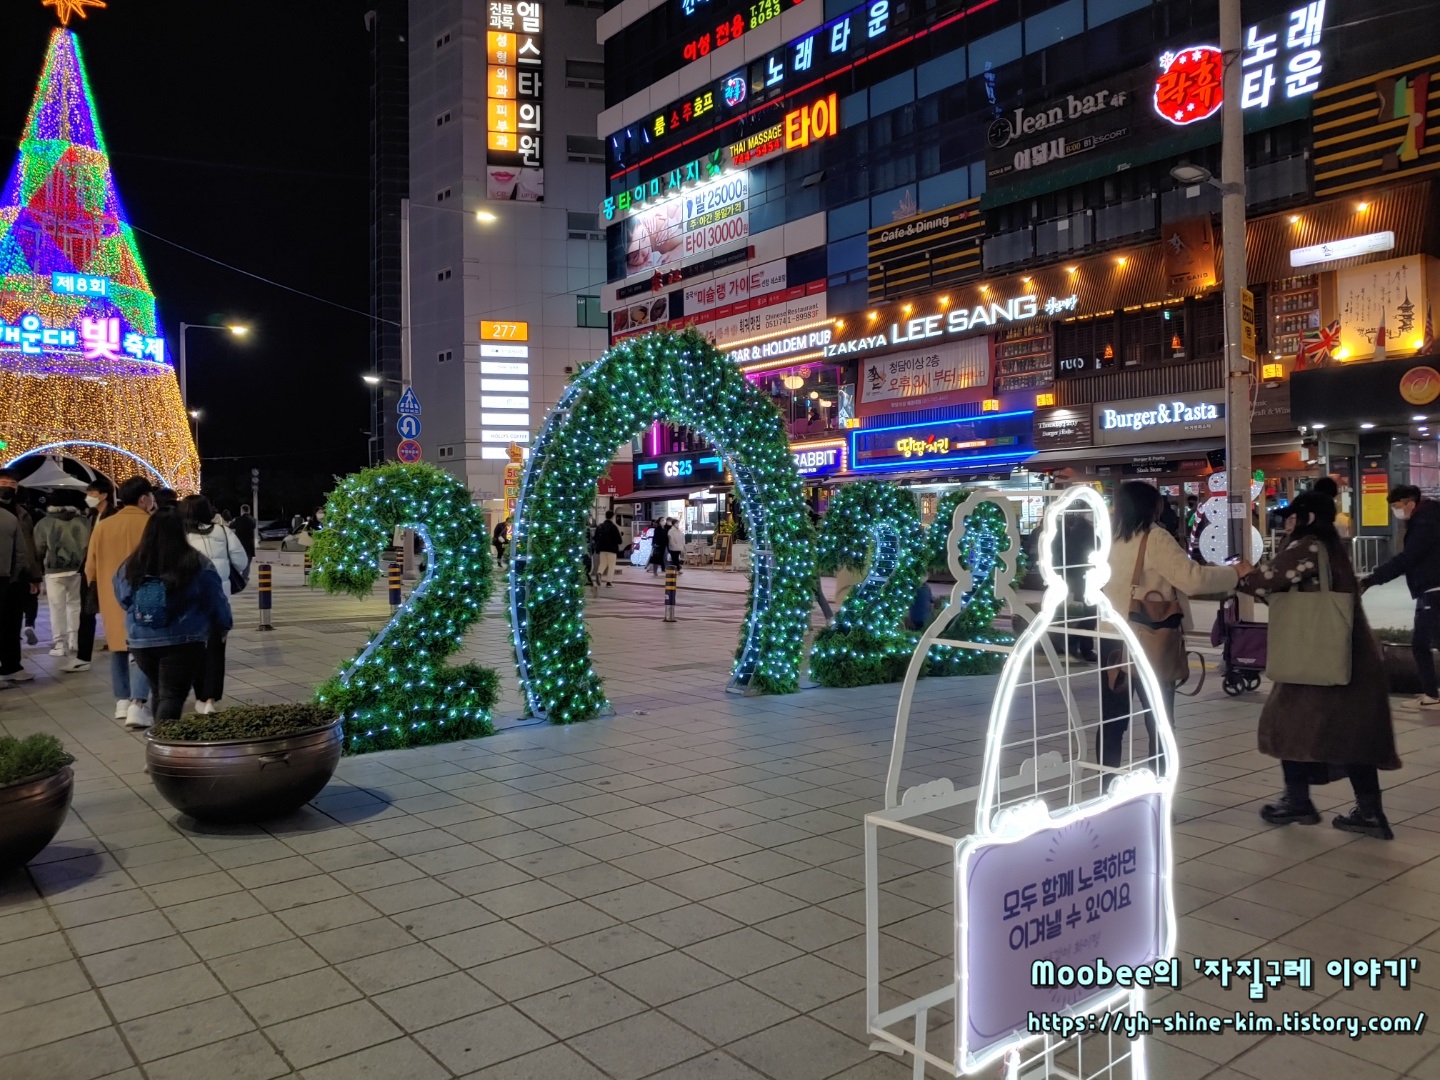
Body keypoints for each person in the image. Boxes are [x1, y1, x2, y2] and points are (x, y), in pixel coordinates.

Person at [1238, 492, 1399, 839]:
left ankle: (1299, 802)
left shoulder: (1308, 547)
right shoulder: (1333, 547)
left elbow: (1264, 581)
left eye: (1292, 518)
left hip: (1316, 657)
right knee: (1353, 736)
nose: (1287, 524)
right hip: (1347, 656)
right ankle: (1367, 811)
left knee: (1285, 724)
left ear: (1308, 517)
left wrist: (1243, 572)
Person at [1101, 481, 1246, 777]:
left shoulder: (1107, 539)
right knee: (1159, 721)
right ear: (1151, 506)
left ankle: (1106, 790)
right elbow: (1191, 579)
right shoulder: (1155, 538)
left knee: (1112, 722)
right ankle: (1159, 794)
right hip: (1148, 638)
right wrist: (1234, 573)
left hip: (1110, 638)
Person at [115, 507, 232, 722]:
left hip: (141, 640)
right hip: (183, 639)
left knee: (160, 689)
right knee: (172, 695)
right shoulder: (197, 562)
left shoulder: (132, 564)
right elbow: (215, 598)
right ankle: (164, 746)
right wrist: (223, 625)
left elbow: (123, 597)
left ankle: (160, 743)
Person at [86, 476, 156, 728]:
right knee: (145, 647)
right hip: (147, 593)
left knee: (118, 646)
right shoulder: (152, 524)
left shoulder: (103, 526)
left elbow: (90, 567)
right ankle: (138, 702)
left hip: (111, 594)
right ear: (143, 498)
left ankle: (121, 701)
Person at [1363, 483, 1440, 707]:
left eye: (1398, 506)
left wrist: (1373, 579)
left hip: (1433, 590)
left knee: (1424, 643)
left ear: (1411, 503)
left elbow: (1407, 559)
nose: (1396, 512)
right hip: (1429, 589)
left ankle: (1432, 694)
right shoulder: (1426, 519)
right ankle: (1431, 693)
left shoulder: (1425, 524)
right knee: (1422, 643)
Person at [182, 495, 249, 714]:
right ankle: (208, 698)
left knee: (191, 650)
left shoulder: (180, 535)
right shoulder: (223, 531)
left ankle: (192, 693)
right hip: (220, 600)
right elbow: (241, 561)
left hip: (188, 603)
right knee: (215, 650)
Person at [32, 490, 91, 659]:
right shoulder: (83, 521)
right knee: (75, 605)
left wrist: (40, 569)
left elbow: (39, 548)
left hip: (54, 571)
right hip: (79, 569)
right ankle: (75, 640)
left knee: (56, 607)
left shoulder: (44, 523)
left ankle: (60, 644)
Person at [66, 478, 116, 673]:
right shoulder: (92, 515)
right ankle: (83, 657)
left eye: (92, 494)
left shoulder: (113, 516)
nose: (89, 497)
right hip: (91, 572)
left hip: (108, 570)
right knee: (86, 613)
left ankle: (125, 649)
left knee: (114, 612)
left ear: (103, 495)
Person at [0, 469, 40, 685]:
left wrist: (34, 576)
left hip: (16, 578)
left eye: (12, 482)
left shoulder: (22, 514)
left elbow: (29, 547)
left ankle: (11, 666)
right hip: (2, 574)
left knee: (12, 623)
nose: (8, 485)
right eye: (4, 481)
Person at [1053, 510, 1097, 661]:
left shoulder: (1074, 534)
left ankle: (1076, 643)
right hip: (1086, 579)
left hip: (1077, 579)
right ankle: (1079, 644)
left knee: (1089, 614)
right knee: (1091, 614)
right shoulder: (1088, 534)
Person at [592, 510, 622, 587]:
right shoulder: (613, 527)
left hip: (602, 549)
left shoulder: (600, 526)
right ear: (613, 517)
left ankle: (599, 573)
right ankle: (608, 582)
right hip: (612, 549)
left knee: (603, 563)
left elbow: (595, 538)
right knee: (611, 565)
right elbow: (619, 540)